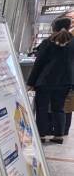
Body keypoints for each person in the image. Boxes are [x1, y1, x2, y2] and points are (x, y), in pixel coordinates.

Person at [27, 16, 74, 144]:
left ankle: (41, 135)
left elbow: (39, 63)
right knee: (59, 108)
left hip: (45, 81)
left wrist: (31, 82)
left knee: (42, 108)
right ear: (69, 27)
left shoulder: (48, 42)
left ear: (54, 28)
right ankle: (58, 136)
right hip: (65, 82)